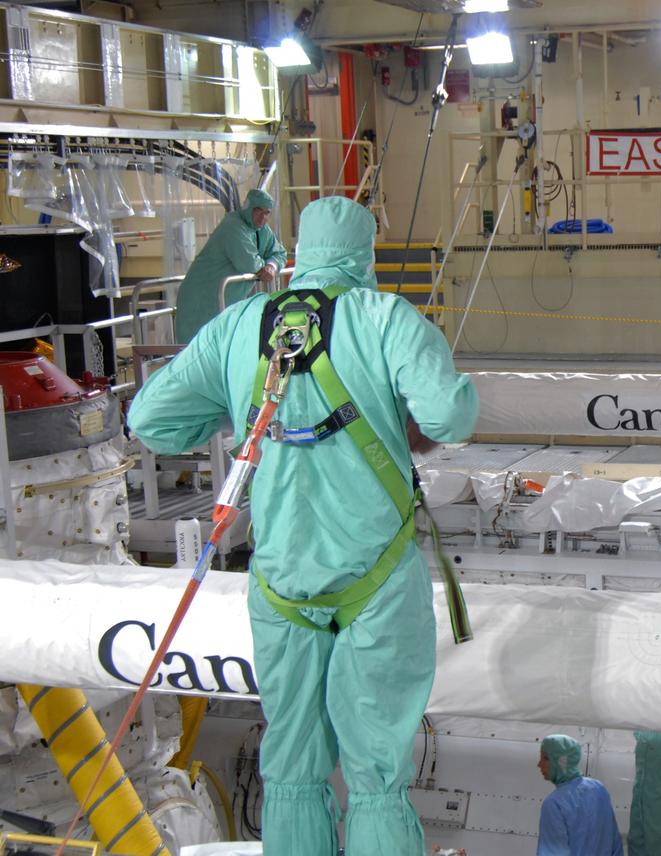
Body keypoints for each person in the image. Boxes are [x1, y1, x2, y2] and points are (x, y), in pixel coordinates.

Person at [128, 196, 478, 856]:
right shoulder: (385, 319)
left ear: (300, 253)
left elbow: (150, 420)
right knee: (375, 777)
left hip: (283, 585)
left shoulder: (240, 327)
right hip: (375, 581)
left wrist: (235, 411)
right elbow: (451, 419)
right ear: (364, 254)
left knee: (289, 767)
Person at [174, 188, 289, 343]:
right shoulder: (233, 226)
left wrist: (272, 266)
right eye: (258, 210)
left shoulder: (260, 230)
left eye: (267, 213)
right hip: (201, 298)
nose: (262, 217)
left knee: (220, 345)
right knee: (197, 349)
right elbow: (249, 264)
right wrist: (264, 266)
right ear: (247, 208)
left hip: (225, 300)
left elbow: (280, 253)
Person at [536, 734, 624, 856]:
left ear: (561, 761)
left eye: (545, 758)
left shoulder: (554, 804)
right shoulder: (598, 788)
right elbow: (615, 843)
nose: (539, 764)